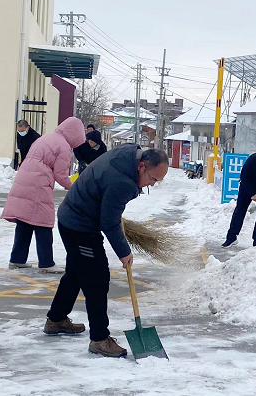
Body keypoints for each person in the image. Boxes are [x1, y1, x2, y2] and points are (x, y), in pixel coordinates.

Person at [44, 145, 169, 358]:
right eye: (153, 179)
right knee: (97, 278)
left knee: (76, 273)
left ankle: (56, 320)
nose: (152, 185)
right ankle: (100, 339)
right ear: (141, 166)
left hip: (72, 216)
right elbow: (109, 222)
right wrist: (124, 251)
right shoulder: (123, 183)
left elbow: (107, 204)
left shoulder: (128, 155)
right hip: (79, 225)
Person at [2, 117, 86, 273]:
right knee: (43, 222)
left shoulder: (47, 138)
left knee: (24, 221)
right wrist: (75, 188)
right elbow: (61, 175)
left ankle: (17, 259)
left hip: (24, 179)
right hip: (38, 183)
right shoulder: (64, 146)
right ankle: (46, 263)